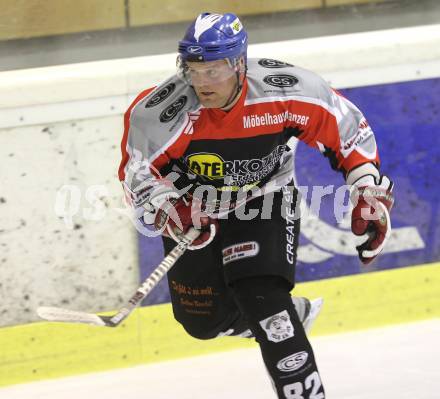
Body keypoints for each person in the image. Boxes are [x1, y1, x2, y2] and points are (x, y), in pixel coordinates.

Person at [118, 12, 394, 399]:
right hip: (194, 207)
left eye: (212, 71)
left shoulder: (290, 91)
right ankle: (285, 315)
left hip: (263, 200)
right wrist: (171, 210)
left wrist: (367, 190)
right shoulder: (161, 113)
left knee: (263, 299)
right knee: (201, 322)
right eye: (193, 70)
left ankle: (282, 331)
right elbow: (137, 175)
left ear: (238, 63)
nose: (201, 82)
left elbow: (348, 133)